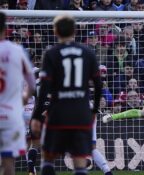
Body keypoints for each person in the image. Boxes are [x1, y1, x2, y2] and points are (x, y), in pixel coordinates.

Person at [30, 14, 102, 175]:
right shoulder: (88, 52)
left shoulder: (51, 53)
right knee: (79, 162)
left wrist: (36, 116)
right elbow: (98, 85)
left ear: (55, 31)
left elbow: (44, 89)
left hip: (58, 113)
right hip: (81, 113)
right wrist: (95, 110)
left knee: (48, 158)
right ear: (74, 31)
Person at [0, 12, 36, 175]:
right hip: (11, 113)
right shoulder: (16, 51)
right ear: (5, 28)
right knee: (9, 163)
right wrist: (22, 101)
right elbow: (32, 86)